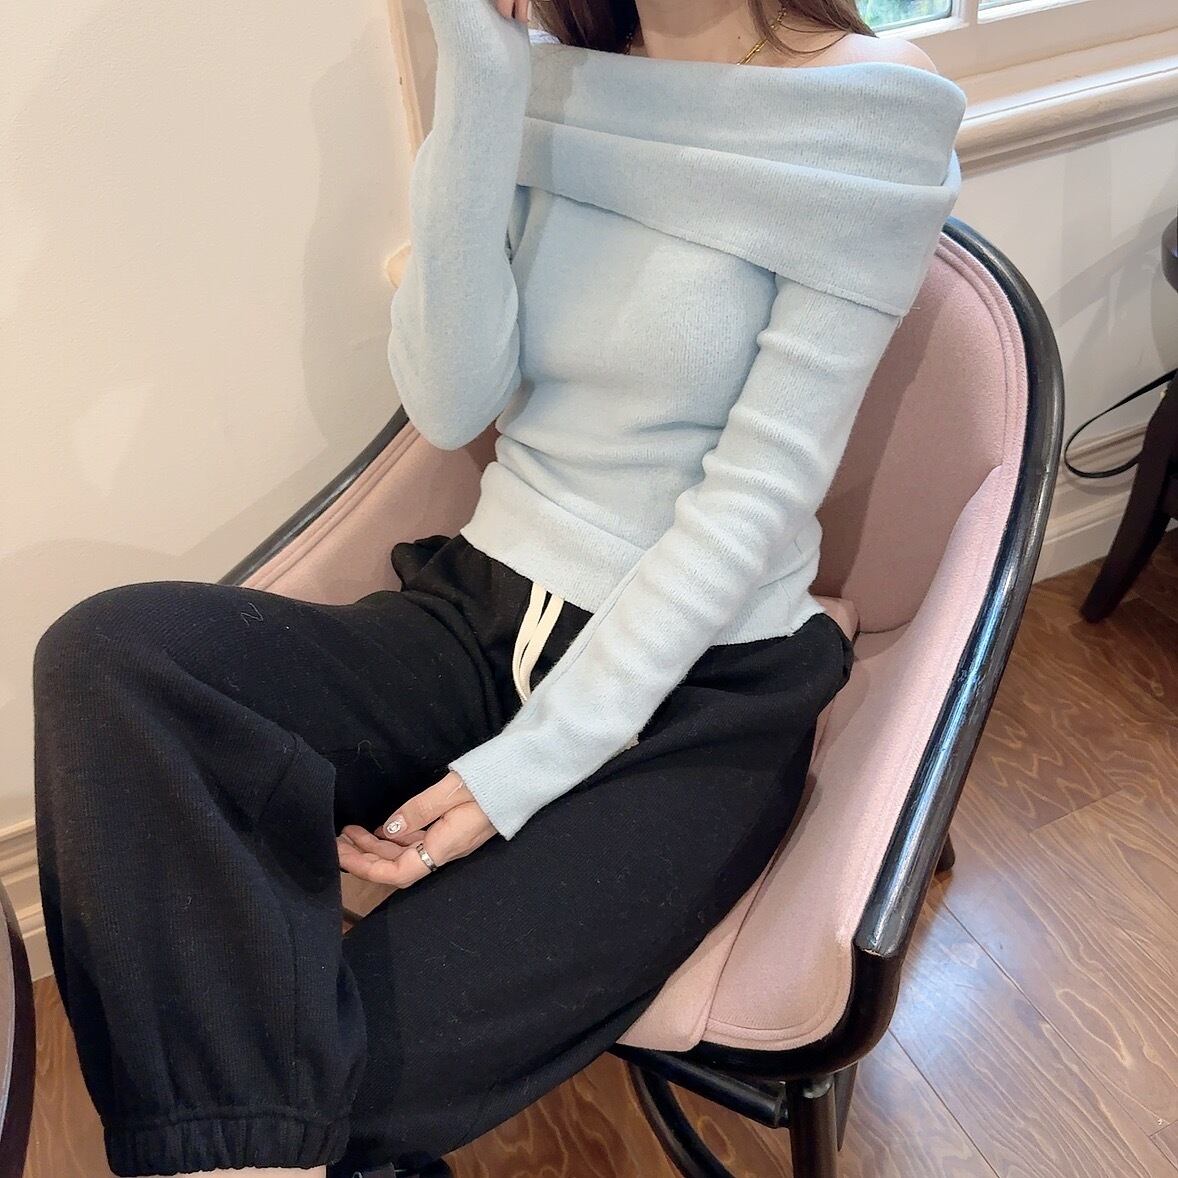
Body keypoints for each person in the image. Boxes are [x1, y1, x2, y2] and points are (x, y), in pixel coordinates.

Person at [31, 0, 967, 1175]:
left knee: (329, 1082)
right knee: (113, 656)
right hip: (478, 614)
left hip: (699, 684)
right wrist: (477, 71)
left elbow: (757, 497)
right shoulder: (556, 81)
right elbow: (451, 399)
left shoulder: (871, 107)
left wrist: (524, 767)